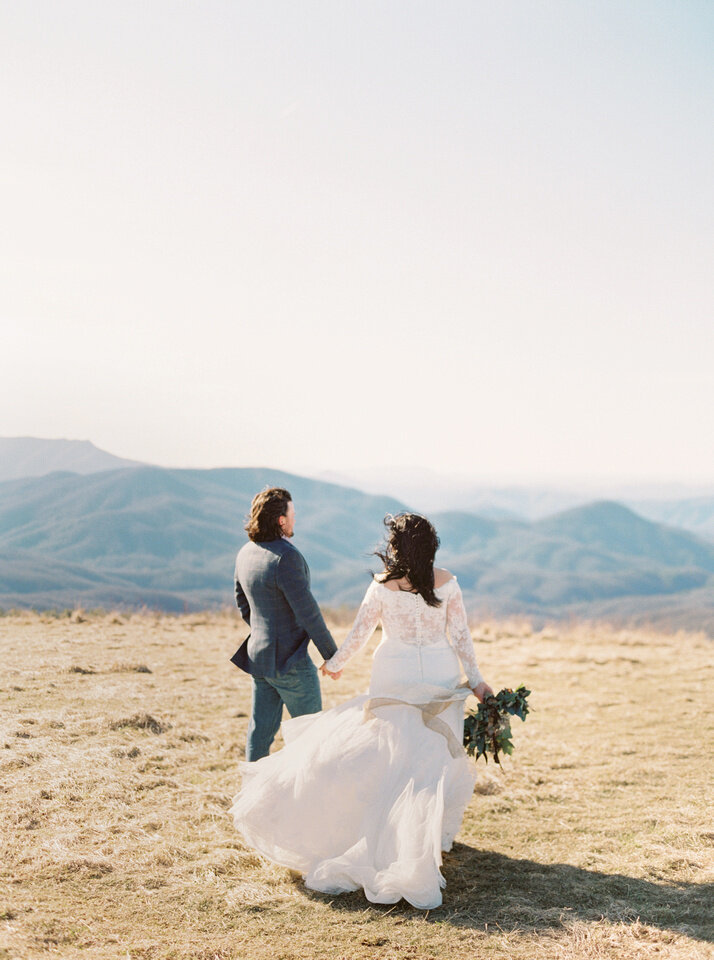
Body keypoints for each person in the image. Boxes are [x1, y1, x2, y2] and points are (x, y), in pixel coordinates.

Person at [230, 512, 494, 909]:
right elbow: (460, 636)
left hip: (394, 670)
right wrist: (476, 681)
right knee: (431, 759)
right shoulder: (448, 582)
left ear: (396, 548)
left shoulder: (382, 586)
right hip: (440, 672)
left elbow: (360, 633)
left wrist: (334, 665)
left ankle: (391, 839)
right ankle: (419, 842)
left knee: (392, 756)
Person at [231, 487, 339, 761]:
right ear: (281, 520)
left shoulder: (246, 553)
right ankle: (305, 796)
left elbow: (242, 603)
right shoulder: (286, 557)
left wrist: (264, 632)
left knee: (259, 734)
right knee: (311, 737)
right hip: (291, 662)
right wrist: (332, 656)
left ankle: (253, 793)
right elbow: (308, 613)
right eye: (292, 514)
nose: (294, 520)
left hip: (259, 656)